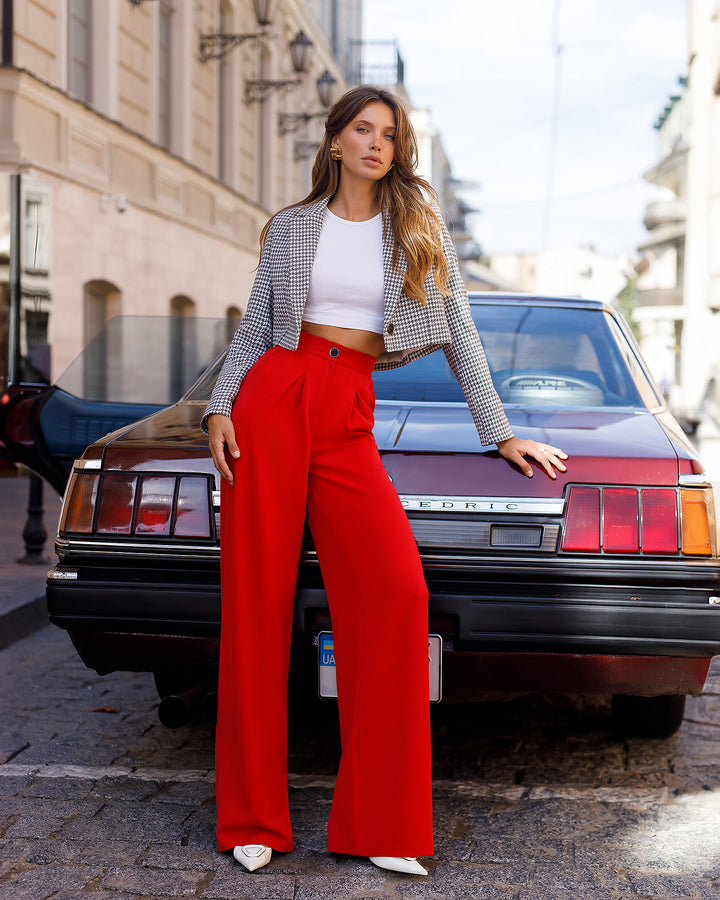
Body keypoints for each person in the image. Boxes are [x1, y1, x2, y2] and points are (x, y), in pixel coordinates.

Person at [202, 84, 567, 877]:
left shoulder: (416, 229)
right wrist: (219, 407)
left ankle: (381, 820)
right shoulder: (292, 228)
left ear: (399, 150)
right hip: (273, 396)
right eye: (362, 130)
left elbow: (461, 329)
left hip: (347, 408)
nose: (376, 144)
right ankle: (250, 817)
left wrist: (498, 431)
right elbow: (258, 324)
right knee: (255, 602)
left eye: (389, 135)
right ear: (334, 142)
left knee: (396, 592)